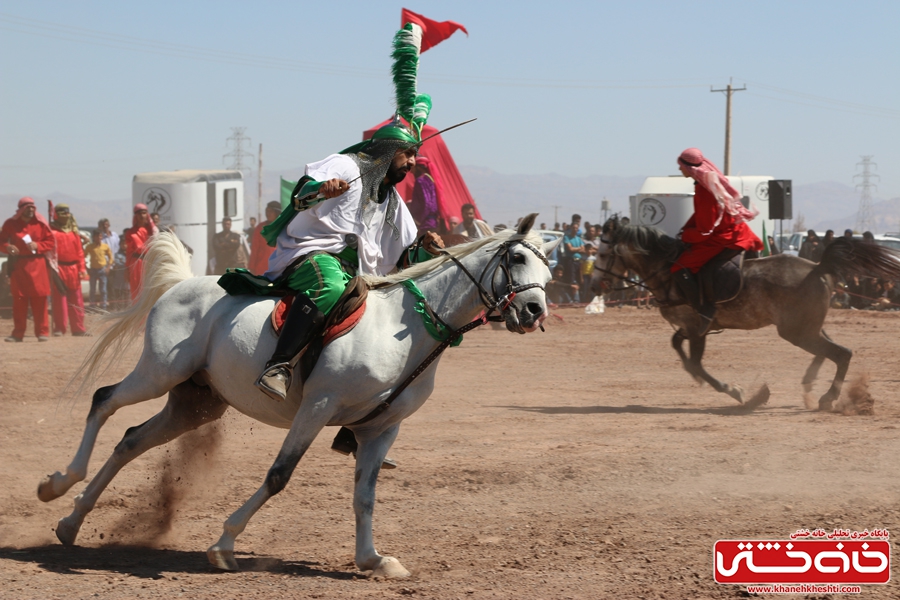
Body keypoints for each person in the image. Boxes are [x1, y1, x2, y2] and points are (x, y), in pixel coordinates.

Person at [671, 147, 762, 332]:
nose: (680, 170)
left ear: (689, 168)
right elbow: (701, 217)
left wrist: (686, 235)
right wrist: (686, 229)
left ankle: (704, 311)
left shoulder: (704, 190)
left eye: (681, 167)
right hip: (734, 231)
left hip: (722, 238)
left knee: (679, 268)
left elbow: (705, 229)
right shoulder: (707, 184)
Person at [1, 197, 55, 341]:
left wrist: (38, 246)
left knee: (40, 301)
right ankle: (18, 334)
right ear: (21, 210)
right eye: (28, 207)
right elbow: (2, 241)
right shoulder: (10, 224)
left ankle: (42, 332)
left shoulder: (41, 224)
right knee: (19, 301)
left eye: (33, 207)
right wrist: (7, 247)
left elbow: (50, 242)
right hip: (19, 267)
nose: (31, 210)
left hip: (38, 265)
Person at [49, 203, 88, 336]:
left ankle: (78, 328)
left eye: (67, 213)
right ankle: (60, 328)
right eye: (62, 213)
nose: (65, 215)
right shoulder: (51, 232)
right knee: (59, 300)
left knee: (77, 299)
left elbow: (80, 253)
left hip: (73, 269)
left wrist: (82, 268)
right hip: (58, 268)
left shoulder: (74, 233)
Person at [125, 204, 159, 302]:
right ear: (135, 216)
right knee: (136, 291)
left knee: (150, 289)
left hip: (150, 262)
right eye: (139, 213)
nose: (142, 216)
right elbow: (129, 252)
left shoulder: (152, 231)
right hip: (136, 263)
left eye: (144, 213)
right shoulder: (130, 233)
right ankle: (139, 316)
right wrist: (127, 269)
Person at [407, 156, 441, 234]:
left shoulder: (421, 180)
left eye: (412, 168)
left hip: (424, 224)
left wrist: (418, 221)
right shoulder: (429, 179)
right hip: (432, 222)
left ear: (419, 168)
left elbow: (427, 204)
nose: (411, 171)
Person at [248, 201, 281, 275]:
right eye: (267, 211)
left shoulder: (283, 227)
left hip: (279, 269)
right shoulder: (260, 228)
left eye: (271, 211)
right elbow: (254, 249)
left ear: (277, 212)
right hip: (262, 269)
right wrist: (252, 268)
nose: (268, 214)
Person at [85, 229, 113, 309]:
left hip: (102, 270)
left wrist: (108, 268)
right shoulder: (89, 247)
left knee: (103, 290)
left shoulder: (105, 246)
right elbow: (82, 256)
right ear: (94, 237)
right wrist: (87, 268)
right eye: (97, 236)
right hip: (93, 270)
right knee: (92, 290)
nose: (99, 237)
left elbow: (111, 257)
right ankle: (92, 306)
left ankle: (103, 306)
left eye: (100, 236)